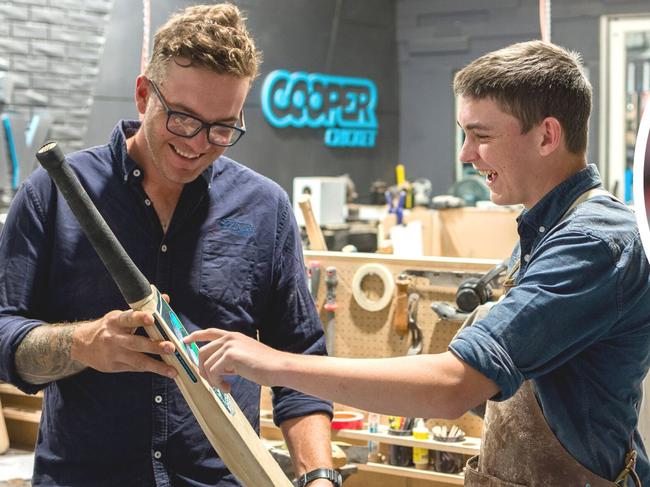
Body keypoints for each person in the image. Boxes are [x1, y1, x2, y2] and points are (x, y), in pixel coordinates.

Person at [185, 41, 650, 486]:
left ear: (547, 135)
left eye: (480, 136)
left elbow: (453, 387)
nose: (466, 155)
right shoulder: (546, 226)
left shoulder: (591, 242)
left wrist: (271, 364)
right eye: (463, 135)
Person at [0, 4, 338, 487]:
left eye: (223, 127)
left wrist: (319, 475)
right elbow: (3, 335)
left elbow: (300, 359)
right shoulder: (53, 194)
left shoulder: (264, 207)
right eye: (182, 118)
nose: (198, 143)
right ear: (143, 95)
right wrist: (83, 344)